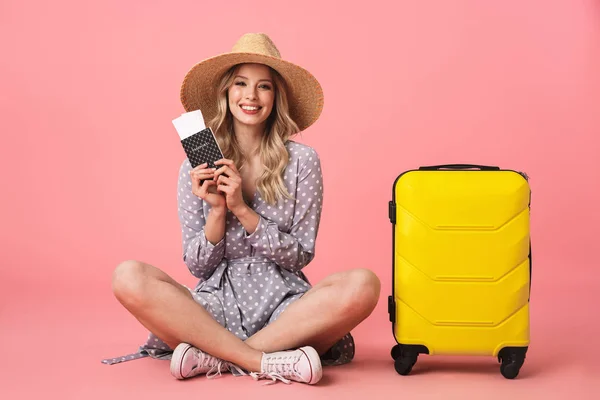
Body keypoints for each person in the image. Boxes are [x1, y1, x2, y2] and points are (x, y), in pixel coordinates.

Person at [102, 33, 380, 385]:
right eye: (241, 83)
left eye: (263, 86)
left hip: (287, 311)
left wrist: (242, 209)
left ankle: (217, 357)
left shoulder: (303, 161)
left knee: (363, 284)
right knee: (127, 275)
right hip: (213, 308)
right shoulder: (196, 167)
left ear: (276, 97)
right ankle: (262, 360)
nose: (251, 96)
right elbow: (197, 266)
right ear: (226, 93)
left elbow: (299, 257)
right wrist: (217, 211)